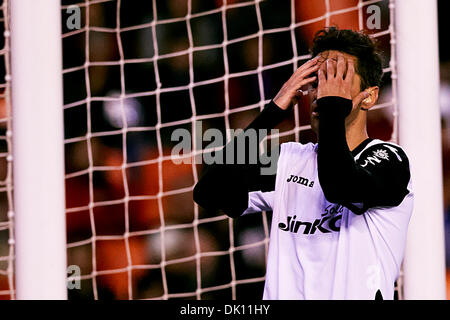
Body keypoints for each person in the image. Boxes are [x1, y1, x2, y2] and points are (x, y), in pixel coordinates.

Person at [193, 27, 413, 300]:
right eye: (319, 79)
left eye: (337, 78)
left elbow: (340, 186)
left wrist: (332, 108)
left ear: (368, 96)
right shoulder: (290, 159)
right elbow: (208, 192)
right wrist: (272, 113)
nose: (323, 91)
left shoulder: (390, 160)